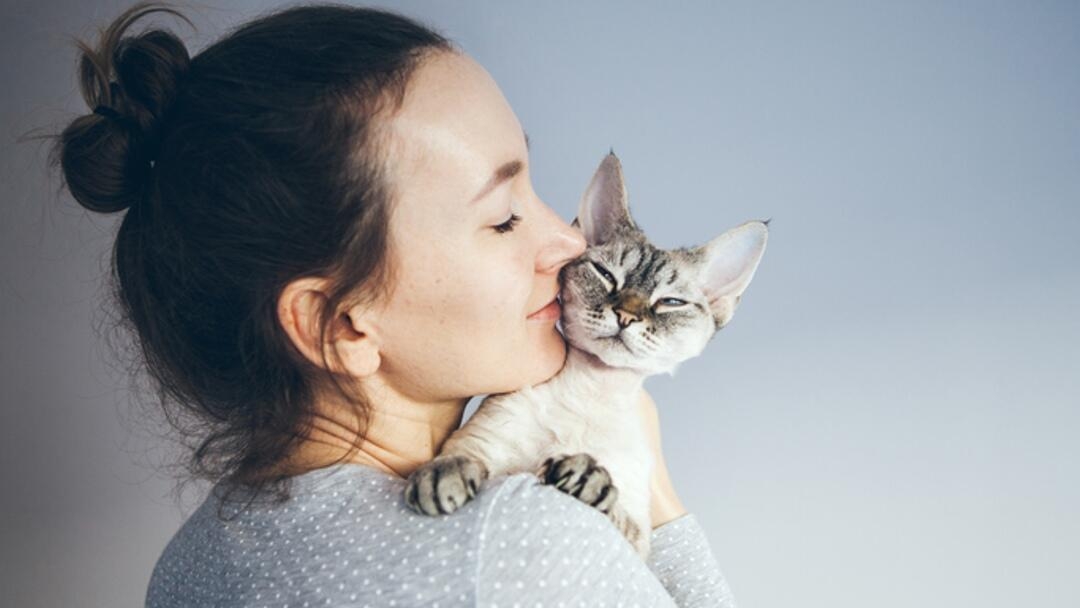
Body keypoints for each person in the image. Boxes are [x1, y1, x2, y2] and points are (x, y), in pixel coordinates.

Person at [51, 2, 739, 606]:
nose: (567, 241)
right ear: (341, 324)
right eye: (503, 217)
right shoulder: (520, 547)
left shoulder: (188, 564)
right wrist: (654, 491)